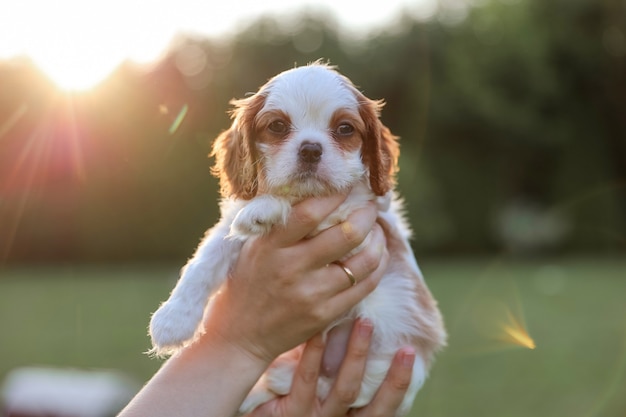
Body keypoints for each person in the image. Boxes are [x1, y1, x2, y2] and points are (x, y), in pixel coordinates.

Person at [119, 194, 415, 417]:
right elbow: (227, 236)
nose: (310, 147)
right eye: (277, 128)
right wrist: (222, 334)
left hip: (375, 362)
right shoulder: (256, 203)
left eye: (344, 130)